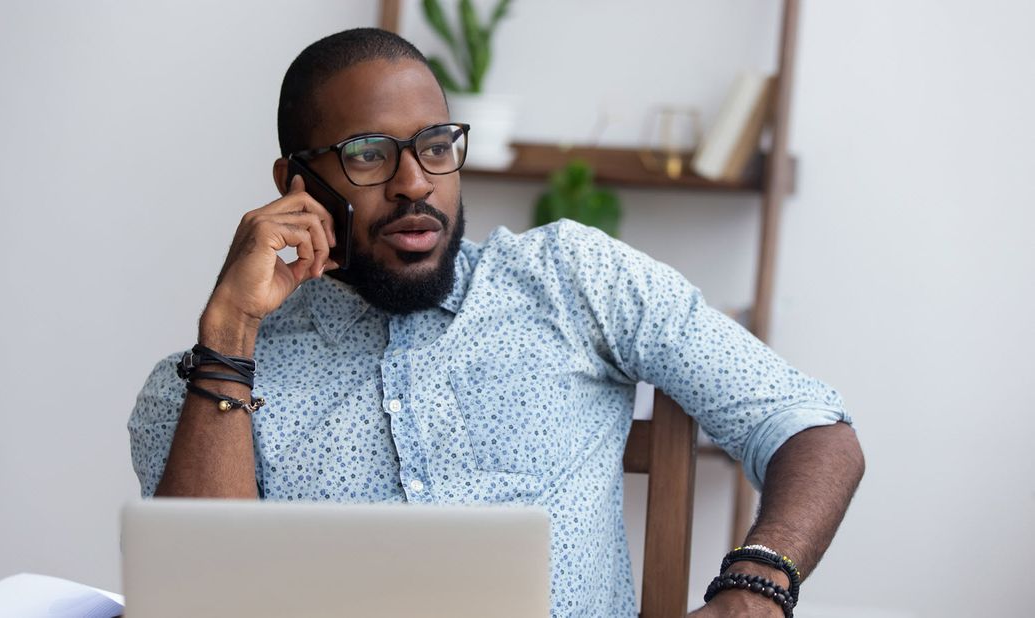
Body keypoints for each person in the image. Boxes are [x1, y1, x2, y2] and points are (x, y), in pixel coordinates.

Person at [129, 27, 864, 617]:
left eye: (436, 146)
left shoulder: (572, 279)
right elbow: (197, 599)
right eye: (368, 156)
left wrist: (756, 587)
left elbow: (811, 427)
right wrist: (228, 331)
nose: (415, 183)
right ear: (295, 185)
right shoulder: (207, 382)